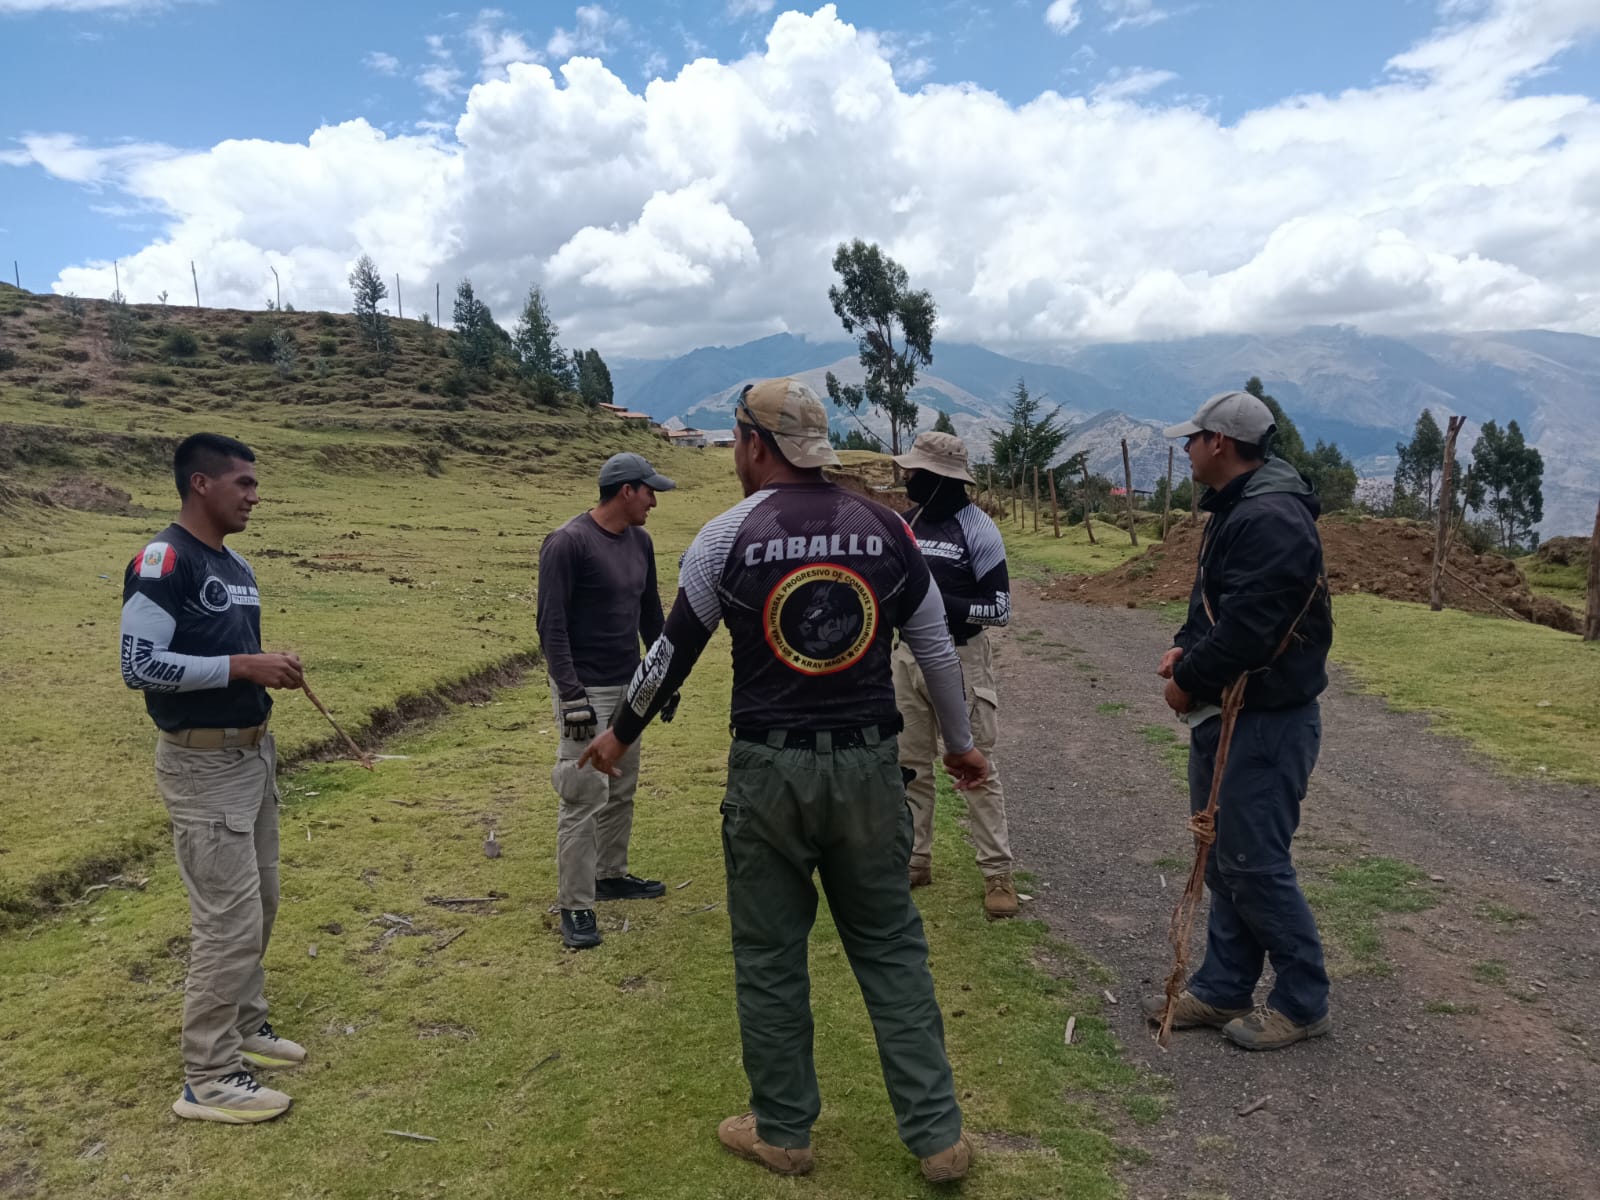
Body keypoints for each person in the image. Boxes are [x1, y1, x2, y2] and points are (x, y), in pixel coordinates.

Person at [580, 379, 989, 1183]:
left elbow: (668, 655)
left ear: (754, 444)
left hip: (769, 768)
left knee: (770, 953)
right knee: (892, 946)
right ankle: (938, 1136)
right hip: (873, 766)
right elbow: (937, 649)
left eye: (735, 441)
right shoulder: (887, 531)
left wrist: (619, 734)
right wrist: (962, 745)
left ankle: (784, 1130)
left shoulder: (724, 538)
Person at [119, 433, 308, 1124]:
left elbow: (228, 651)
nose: (256, 496)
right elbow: (139, 664)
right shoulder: (162, 561)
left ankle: (245, 1025)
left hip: (251, 755)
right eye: (245, 484)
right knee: (225, 920)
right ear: (201, 484)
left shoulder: (238, 566)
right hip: (202, 766)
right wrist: (243, 668)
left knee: (261, 900)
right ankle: (207, 1074)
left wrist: (265, 664)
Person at [1140, 391, 1335, 1052]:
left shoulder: (1271, 518)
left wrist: (1189, 680)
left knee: (1252, 862)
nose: (1187, 448)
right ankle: (1225, 987)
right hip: (1236, 715)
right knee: (1223, 858)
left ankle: (1304, 1000)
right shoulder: (1240, 510)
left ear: (1219, 442)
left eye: (1193, 439)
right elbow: (1219, 609)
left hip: (1265, 721)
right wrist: (1184, 647)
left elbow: (1254, 629)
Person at [536, 451, 679, 950]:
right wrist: (571, 696)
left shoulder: (640, 541)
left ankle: (610, 874)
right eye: (649, 491)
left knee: (623, 786)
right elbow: (550, 627)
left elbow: (651, 615)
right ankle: (575, 905)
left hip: (630, 685)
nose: (654, 502)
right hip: (585, 689)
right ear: (626, 491)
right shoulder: (567, 544)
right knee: (582, 794)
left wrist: (663, 678)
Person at [890, 431, 1019, 919]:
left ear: (941, 479)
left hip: (962, 659)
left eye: (916, 472)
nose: (908, 478)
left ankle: (997, 874)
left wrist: (934, 605)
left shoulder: (978, 528)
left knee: (975, 766)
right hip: (905, 660)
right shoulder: (907, 524)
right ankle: (914, 859)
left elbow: (1000, 608)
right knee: (909, 766)